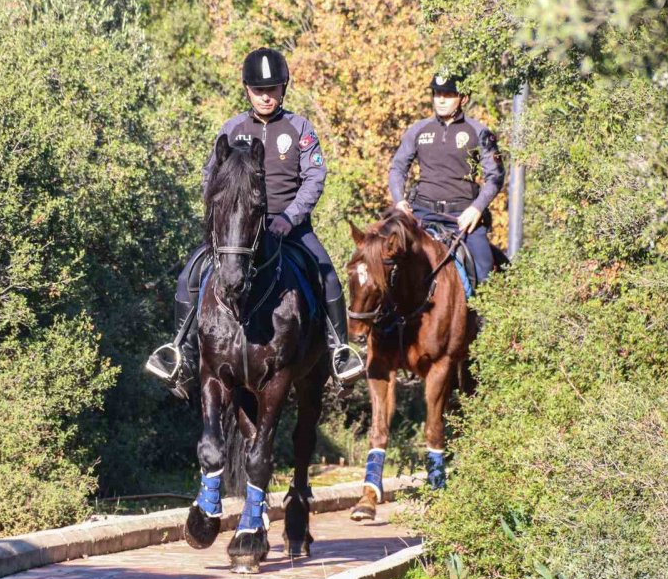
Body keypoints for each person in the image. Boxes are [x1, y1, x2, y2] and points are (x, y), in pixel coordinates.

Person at [145, 47, 364, 399]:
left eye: (272, 89)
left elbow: (314, 177)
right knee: (188, 276)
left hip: (289, 227)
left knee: (328, 277)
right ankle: (181, 356)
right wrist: (223, 218)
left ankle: (339, 353)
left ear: (283, 88)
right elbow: (210, 178)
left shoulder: (300, 128)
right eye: (259, 90)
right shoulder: (232, 129)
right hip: (238, 232)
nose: (265, 96)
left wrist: (290, 217)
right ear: (247, 89)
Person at [388, 73, 504, 284]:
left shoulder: (479, 132)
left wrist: (477, 208)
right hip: (422, 214)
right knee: (384, 259)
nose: (440, 100)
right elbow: (398, 168)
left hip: (462, 218)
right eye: (437, 94)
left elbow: (495, 176)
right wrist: (399, 201)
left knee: (484, 270)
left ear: (463, 98)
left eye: (448, 94)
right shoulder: (418, 129)